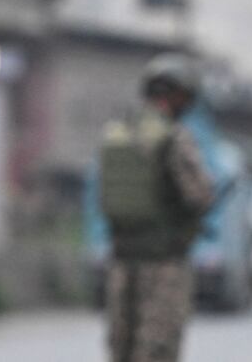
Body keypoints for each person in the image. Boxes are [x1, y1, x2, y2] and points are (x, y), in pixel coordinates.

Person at [101, 53, 214, 362]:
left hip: (121, 261)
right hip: (164, 264)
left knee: (122, 350)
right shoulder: (173, 137)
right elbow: (199, 195)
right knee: (156, 351)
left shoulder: (119, 131)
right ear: (177, 95)